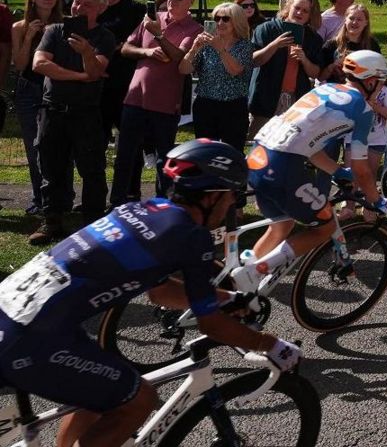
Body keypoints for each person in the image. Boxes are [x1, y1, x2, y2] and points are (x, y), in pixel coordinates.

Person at [0, 140, 300, 447]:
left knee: (102, 390)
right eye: (232, 198)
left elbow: (159, 292)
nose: (231, 207)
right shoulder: (189, 236)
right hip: (32, 337)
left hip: (16, 312)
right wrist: (271, 345)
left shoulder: (138, 210)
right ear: (212, 197)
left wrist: (226, 298)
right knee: (139, 399)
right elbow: (211, 326)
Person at [232, 50, 387, 294]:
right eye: (381, 82)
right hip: (283, 167)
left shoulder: (323, 89)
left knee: (281, 226)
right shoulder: (362, 109)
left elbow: (308, 145)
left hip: (258, 157)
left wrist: (337, 171)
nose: (382, 87)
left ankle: (239, 292)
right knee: (325, 227)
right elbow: (362, 168)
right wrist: (376, 200)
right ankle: (256, 272)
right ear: (371, 81)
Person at [28, 0, 118, 244]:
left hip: (85, 113)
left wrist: (87, 53)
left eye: (86, 4)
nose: (77, 7)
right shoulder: (55, 30)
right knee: (50, 168)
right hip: (51, 110)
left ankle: (92, 223)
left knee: (92, 169)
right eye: (76, 1)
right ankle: (51, 222)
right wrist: (80, 75)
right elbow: (39, 64)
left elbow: (95, 72)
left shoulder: (104, 37)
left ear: (100, 8)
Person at [111, 0, 202, 206]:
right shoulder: (152, 20)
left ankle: (162, 206)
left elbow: (180, 58)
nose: (171, 0)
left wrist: (159, 36)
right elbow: (125, 48)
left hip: (165, 102)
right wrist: (148, 51)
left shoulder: (195, 29)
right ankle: (116, 204)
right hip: (135, 98)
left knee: (165, 159)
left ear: (190, 1)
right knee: (125, 155)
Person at [11, 0, 64, 215]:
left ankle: (62, 197)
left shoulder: (63, 24)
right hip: (28, 89)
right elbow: (21, 64)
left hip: (56, 88)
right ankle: (39, 199)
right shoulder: (19, 27)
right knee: (35, 149)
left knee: (60, 147)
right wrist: (29, 37)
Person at [180, 1, 255, 150]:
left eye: (225, 19)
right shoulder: (206, 45)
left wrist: (221, 50)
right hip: (205, 105)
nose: (220, 22)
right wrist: (194, 49)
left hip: (233, 107)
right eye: (216, 19)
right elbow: (184, 69)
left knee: (232, 152)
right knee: (204, 152)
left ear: (236, 21)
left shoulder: (245, 46)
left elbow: (235, 70)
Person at [248, 0, 325, 136]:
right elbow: (253, 61)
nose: (299, 13)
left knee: (289, 146)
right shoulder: (267, 29)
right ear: (289, 7)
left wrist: (304, 59)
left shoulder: (313, 38)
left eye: (305, 11)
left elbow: (316, 73)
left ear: (310, 15)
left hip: (296, 102)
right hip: (266, 100)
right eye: (297, 8)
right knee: (258, 146)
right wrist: (275, 45)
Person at [89, 0, 146, 149]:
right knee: (97, 137)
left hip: (126, 80)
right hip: (97, 80)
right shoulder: (90, 9)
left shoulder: (136, 9)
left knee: (131, 136)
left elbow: (143, 42)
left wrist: (121, 47)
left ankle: (130, 176)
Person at [318, 2, 379, 82]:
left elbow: (379, 74)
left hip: (362, 92)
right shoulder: (332, 45)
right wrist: (332, 67)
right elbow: (320, 77)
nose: (354, 22)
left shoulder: (372, 45)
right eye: (351, 18)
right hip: (337, 91)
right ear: (345, 20)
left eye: (359, 19)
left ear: (366, 23)